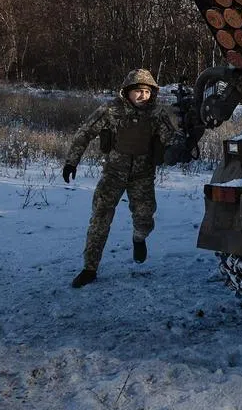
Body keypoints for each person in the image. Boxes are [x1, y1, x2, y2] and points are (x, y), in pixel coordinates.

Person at [62, 69, 179, 288]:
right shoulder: (110, 110)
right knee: (99, 219)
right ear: (127, 92)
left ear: (152, 93)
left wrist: (180, 143)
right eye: (138, 91)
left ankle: (138, 238)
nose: (142, 96)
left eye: (146, 91)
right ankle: (90, 268)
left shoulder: (157, 114)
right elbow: (85, 132)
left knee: (145, 218)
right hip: (113, 174)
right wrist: (71, 161)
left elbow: (170, 138)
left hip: (143, 176)